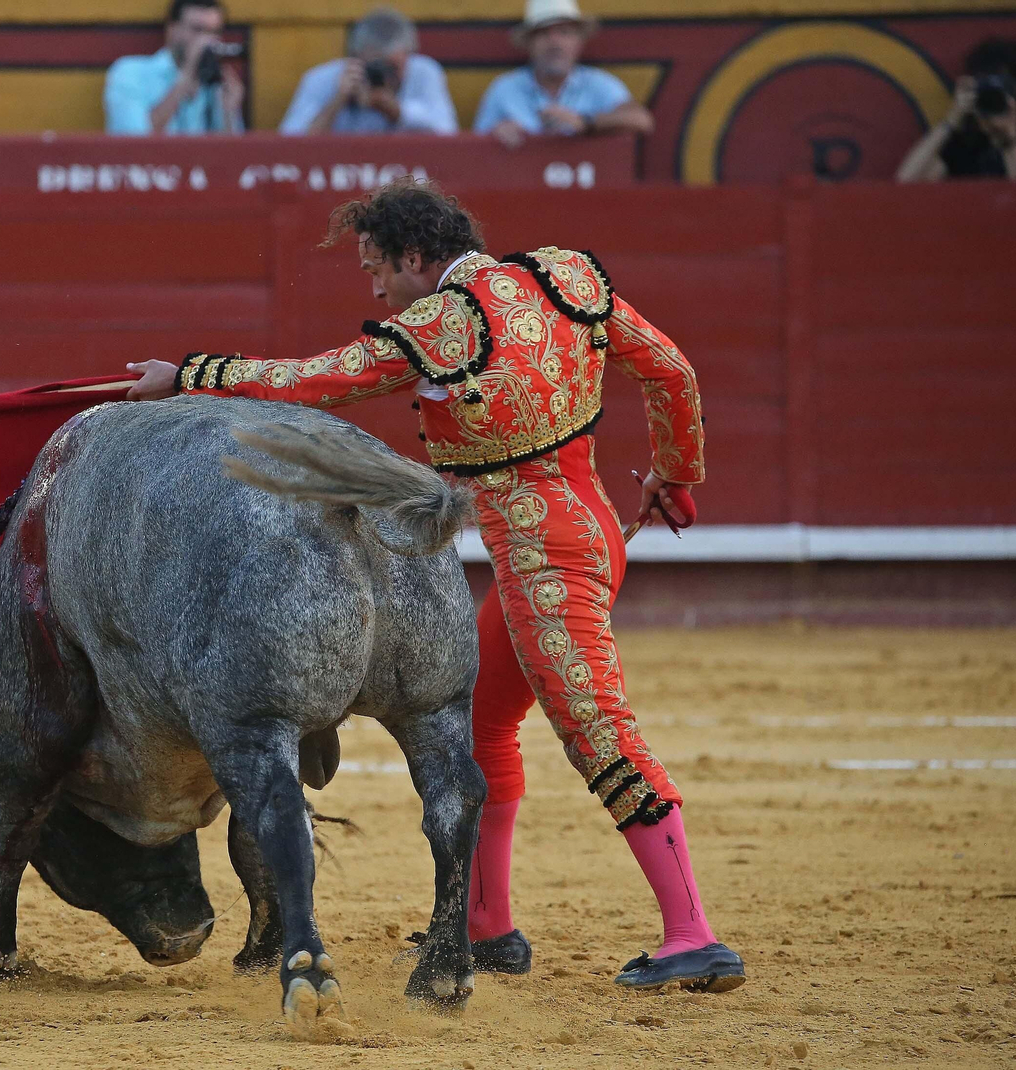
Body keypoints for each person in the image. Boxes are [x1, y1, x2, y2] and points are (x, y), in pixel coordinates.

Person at [125, 178, 746, 993]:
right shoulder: (562, 278)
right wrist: (675, 472)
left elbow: (317, 380)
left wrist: (192, 376)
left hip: (544, 560)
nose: (375, 287)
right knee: (481, 722)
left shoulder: (446, 323)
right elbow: (670, 370)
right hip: (585, 524)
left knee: (597, 732)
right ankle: (488, 927)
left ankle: (692, 934)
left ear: (417, 258)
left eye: (377, 267)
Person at [473, 0, 652, 149]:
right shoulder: (504, 89)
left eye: (564, 32)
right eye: (544, 33)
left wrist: (585, 123)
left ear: (579, 42)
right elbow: (472, 149)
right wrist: (495, 135)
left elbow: (642, 120)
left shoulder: (598, 83)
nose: (555, 42)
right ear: (529, 43)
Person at [897, 37, 1016, 183]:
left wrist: (1009, 141)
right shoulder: (963, 149)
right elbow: (906, 183)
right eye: (984, 85)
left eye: (999, 85)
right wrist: (951, 120)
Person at [278, 7, 458, 136]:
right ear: (356, 56)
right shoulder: (324, 78)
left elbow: (447, 134)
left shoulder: (423, 72)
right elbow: (291, 143)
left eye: (393, 67)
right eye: (376, 66)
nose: (384, 75)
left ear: (409, 56)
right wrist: (338, 100)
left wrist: (396, 110)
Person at [104, 0, 245, 136]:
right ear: (172, 29)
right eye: (198, 30)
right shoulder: (130, 72)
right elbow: (135, 142)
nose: (207, 41)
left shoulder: (218, 84)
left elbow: (233, 154)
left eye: (214, 32)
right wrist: (184, 80)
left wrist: (229, 112)